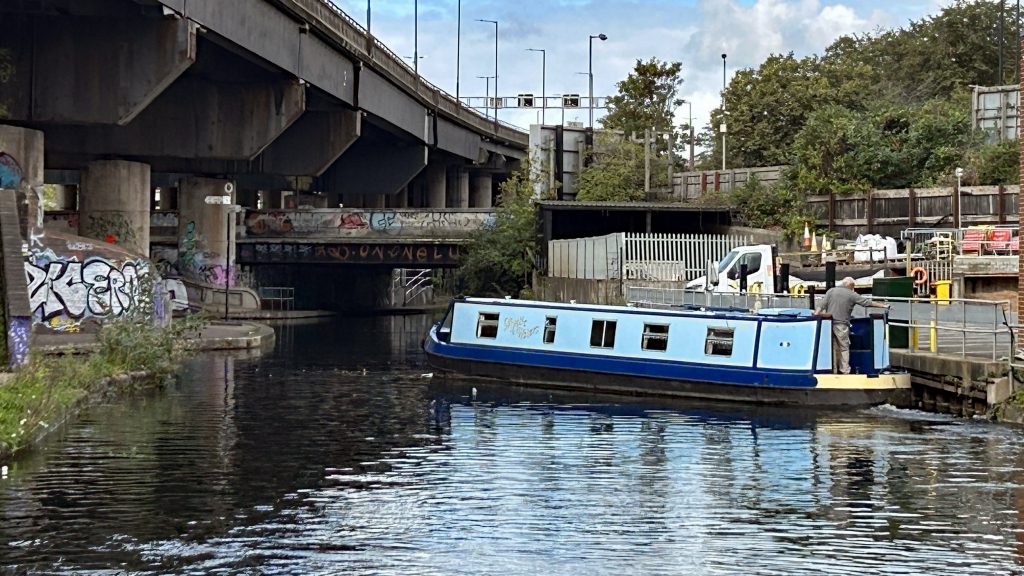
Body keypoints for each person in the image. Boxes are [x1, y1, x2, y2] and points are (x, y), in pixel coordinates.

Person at [812, 277, 890, 374]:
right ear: (850, 286)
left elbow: (822, 304)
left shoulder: (831, 291)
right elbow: (866, 303)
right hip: (841, 325)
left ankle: (833, 370)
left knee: (832, 348)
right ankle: (845, 370)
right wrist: (883, 305)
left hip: (828, 324)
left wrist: (816, 314)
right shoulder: (851, 294)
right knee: (844, 348)